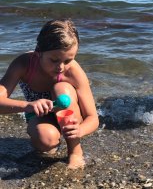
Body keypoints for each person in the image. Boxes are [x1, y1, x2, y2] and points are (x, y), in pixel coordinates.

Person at [0, 19, 99, 169]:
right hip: (40, 117)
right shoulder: (24, 64)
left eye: (68, 60)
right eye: (54, 60)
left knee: (62, 90)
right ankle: (51, 140)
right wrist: (27, 106)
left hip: (70, 118)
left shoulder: (73, 71)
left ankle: (75, 151)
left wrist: (80, 130)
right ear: (38, 52)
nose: (60, 67)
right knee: (46, 142)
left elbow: (93, 117)